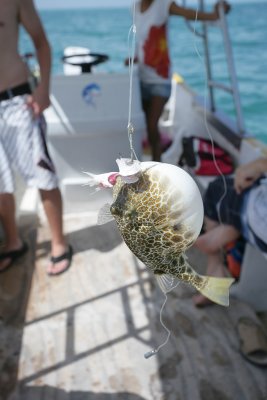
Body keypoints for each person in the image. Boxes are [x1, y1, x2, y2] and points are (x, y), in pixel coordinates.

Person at [0, 0, 72, 275]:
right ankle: (13, 241)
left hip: (18, 100)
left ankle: (59, 242)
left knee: (44, 174)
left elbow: (41, 42)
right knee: (0, 184)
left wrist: (44, 89)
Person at [130, 0, 231, 161]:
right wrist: (135, 58)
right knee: (142, 125)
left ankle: (158, 168)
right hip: (141, 78)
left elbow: (189, 13)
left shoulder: (163, 4)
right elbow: (141, 38)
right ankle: (146, 164)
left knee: (151, 126)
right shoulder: (135, 7)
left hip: (160, 80)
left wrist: (214, 15)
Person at [193, 157, 267, 306]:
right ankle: (229, 231)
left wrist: (260, 164)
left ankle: (214, 269)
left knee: (215, 190)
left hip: (254, 211)